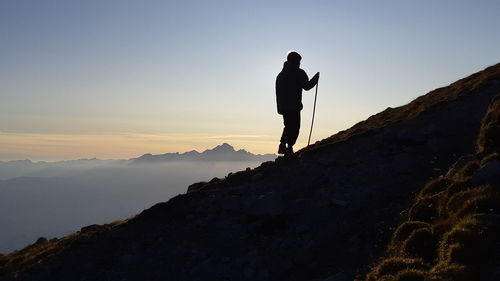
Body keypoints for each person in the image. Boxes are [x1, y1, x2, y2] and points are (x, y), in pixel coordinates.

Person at [275, 51, 319, 156]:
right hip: (294, 105)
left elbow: (278, 93)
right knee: (295, 127)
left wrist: (280, 107)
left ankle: (283, 145)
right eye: (298, 61)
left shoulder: (281, 75)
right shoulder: (299, 73)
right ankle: (289, 147)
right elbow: (307, 86)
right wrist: (315, 79)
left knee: (288, 126)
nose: (299, 63)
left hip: (284, 106)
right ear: (295, 61)